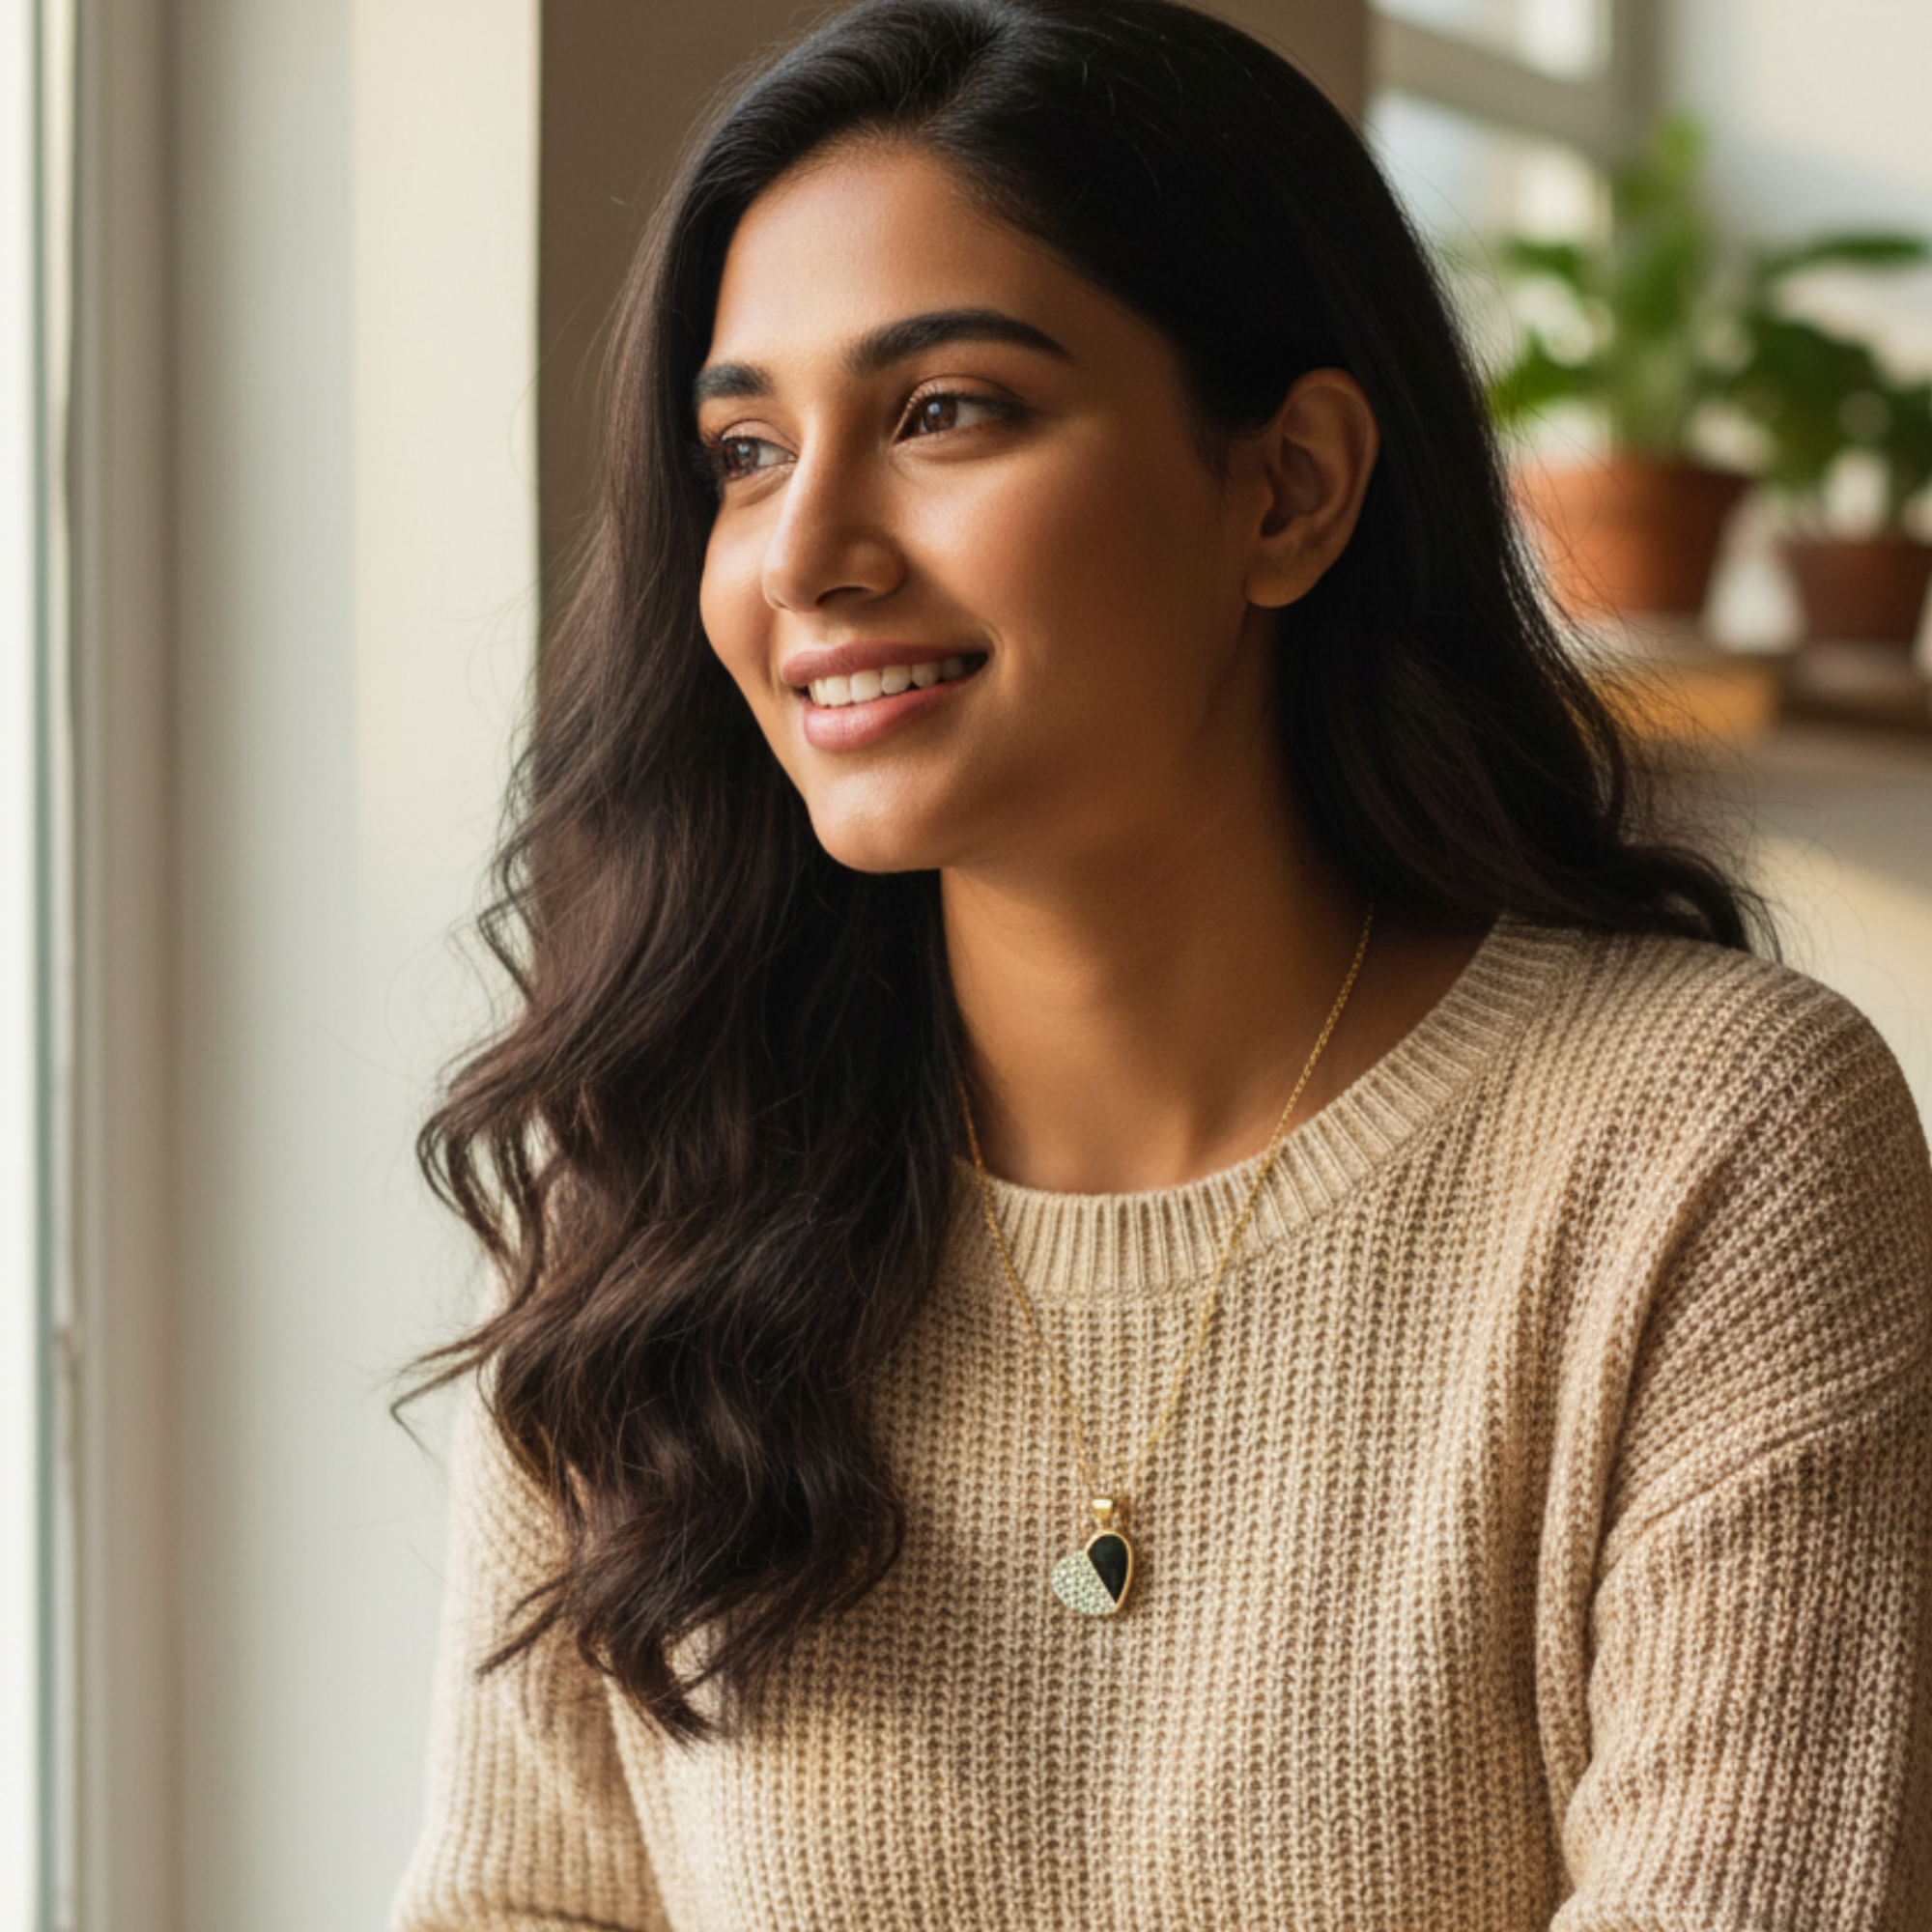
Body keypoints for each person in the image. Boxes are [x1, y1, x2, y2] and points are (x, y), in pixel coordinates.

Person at [390, 1, 1932, 1925]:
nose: (806, 554)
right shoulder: (640, 1184)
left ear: (1287, 487)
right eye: (744, 451)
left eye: (945, 410)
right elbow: (522, 1900)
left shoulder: (1707, 1141)